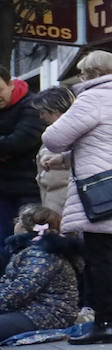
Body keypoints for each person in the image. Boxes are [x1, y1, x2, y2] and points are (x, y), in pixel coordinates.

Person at [41, 50, 112, 345]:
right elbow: (106, 145)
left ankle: (105, 323)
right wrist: (64, 160)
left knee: (100, 260)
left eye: (84, 73)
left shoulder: (94, 98)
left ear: (92, 74)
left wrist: (58, 150)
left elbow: (53, 137)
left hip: (97, 192)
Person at [0, 205, 80, 341]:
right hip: (31, 310)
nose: (15, 224)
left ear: (25, 228)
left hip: (47, 314)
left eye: (18, 220)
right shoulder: (31, 250)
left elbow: (19, 292)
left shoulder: (40, 254)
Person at [0, 68, 45, 235]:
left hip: (29, 188)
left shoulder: (33, 105)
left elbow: (20, 141)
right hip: (3, 190)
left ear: (11, 84)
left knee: (28, 238)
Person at [29, 86, 75, 216]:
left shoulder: (68, 133)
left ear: (55, 110)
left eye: (43, 111)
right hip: (54, 201)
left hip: (63, 203)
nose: (41, 116)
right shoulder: (56, 132)